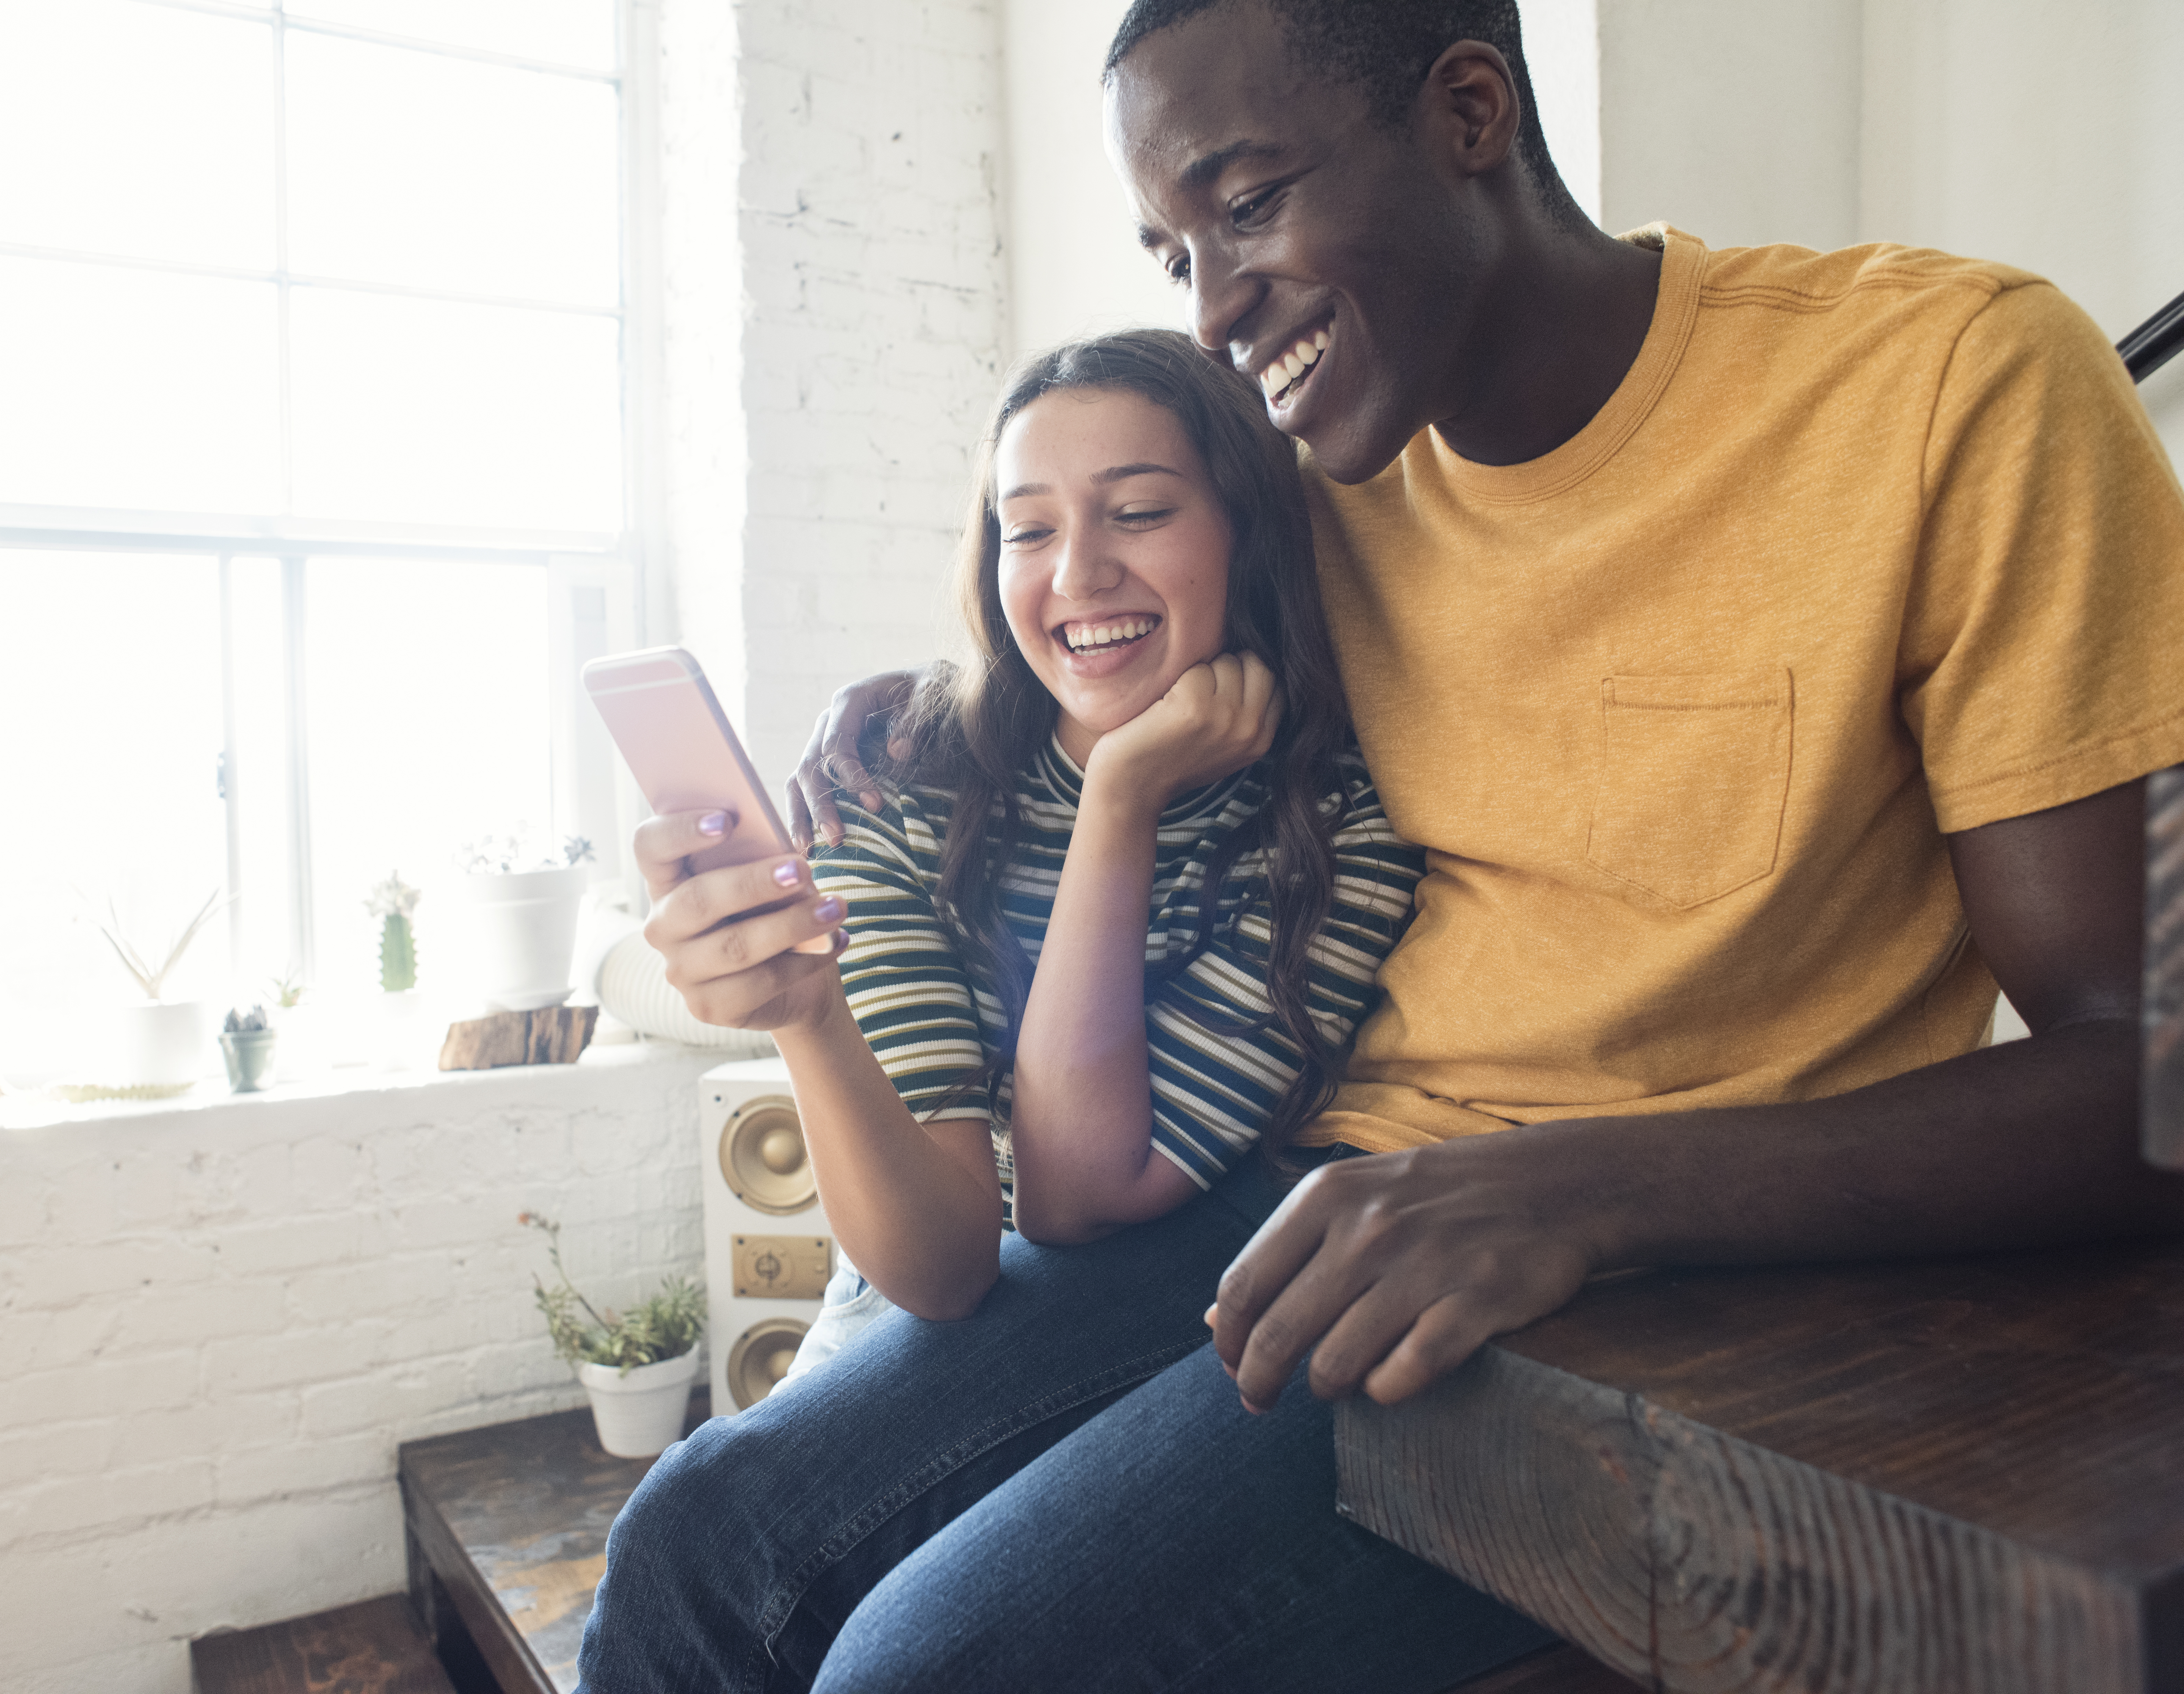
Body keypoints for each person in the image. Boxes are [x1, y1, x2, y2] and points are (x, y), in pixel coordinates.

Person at [604, 0, 2184, 1687]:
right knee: (700, 1540)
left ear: (1469, 111)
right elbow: (1073, 662)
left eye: (1250, 203)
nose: (1212, 310)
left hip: (1664, 1250)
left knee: (922, 1669)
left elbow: (2146, 1065)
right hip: (1284, 1190)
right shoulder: (1305, 471)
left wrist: (1570, 1188)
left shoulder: (1950, 386)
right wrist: (862, 803)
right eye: (1170, 249)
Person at [728, 329, 1425, 1386]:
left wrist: (1121, 799)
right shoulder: (892, 780)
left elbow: (1069, 1198)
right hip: (888, 1323)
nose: (1079, 574)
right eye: (1029, 529)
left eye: (1140, 512)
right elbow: (942, 1269)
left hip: (1132, 1335)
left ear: (1251, 529)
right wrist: (805, 1018)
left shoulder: (1336, 837)